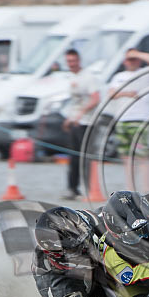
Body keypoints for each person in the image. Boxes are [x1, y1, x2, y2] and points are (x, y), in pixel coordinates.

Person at [33, 191, 149, 297]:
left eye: (85, 237)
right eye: (78, 247)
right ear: (60, 256)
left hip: (90, 262)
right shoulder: (66, 292)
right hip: (84, 286)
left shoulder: (83, 222)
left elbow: (119, 212)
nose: (86, 246)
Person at [107, 48, 149, 191]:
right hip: (122, 119)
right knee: (126, 157)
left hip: (140, 119)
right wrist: (127, 93)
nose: (132, 62)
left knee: (143, 156)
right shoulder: (118, 76)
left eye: (134, 59)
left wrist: (137, 54)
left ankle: (146, 189)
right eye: (129, 59)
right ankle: (131, 188)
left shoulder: (143, 73)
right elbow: (112, 94)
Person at [62, 48, 100, 200]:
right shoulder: (72, 77)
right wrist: (69, 118)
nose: (71, 64)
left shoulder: (88, 77)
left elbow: (96, 98)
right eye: (68, 61)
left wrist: (81, 113)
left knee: (85, 157)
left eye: (73, 61)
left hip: (87, 123)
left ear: (79, 60)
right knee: (73, 157)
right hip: (75, 122)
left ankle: (88, 189)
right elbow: (74, 102)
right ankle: (72, 188)